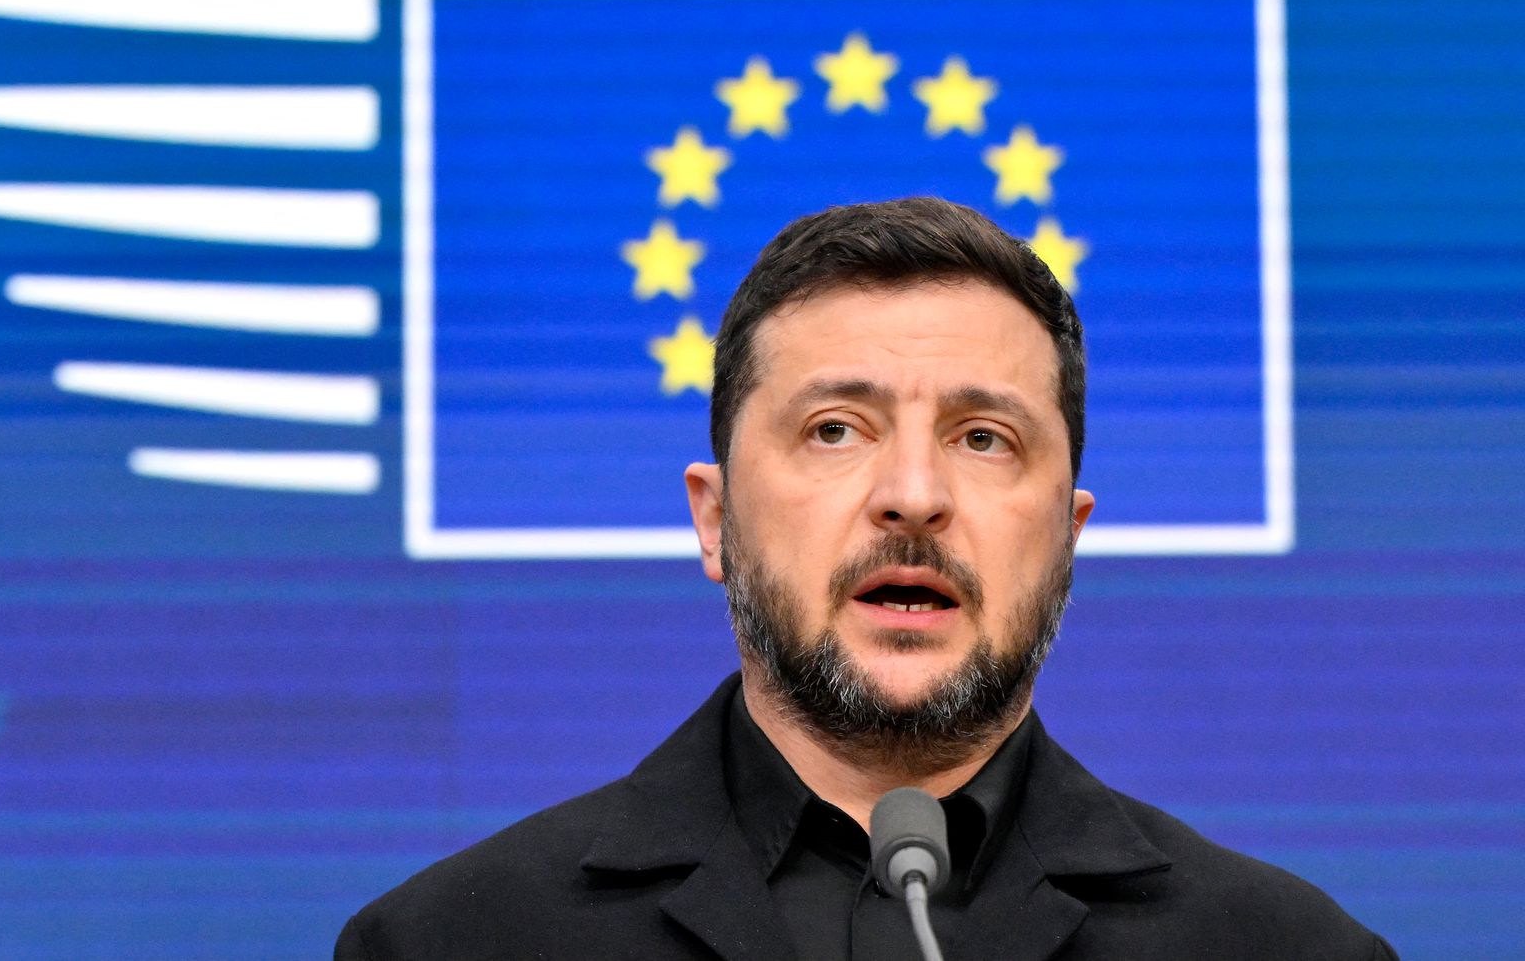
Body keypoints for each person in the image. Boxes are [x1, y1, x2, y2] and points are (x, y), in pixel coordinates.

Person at [336, 197, 1396, 960]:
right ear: (715, 520)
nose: (912, 493)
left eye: (983, 439)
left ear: (1066, 537)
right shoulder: (454, 940)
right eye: (834, 429)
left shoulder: (1283, 947)